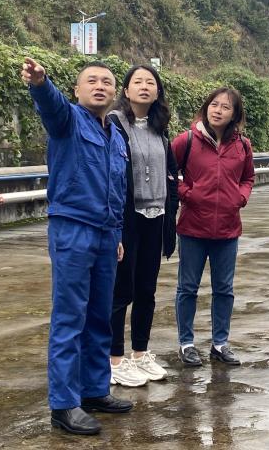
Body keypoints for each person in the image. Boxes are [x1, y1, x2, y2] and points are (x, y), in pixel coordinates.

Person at [21, 57, 131, 437]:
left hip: (104, 234)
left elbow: (117, 190)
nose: (99, 86)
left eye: (106, 82)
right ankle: (65, 405)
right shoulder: (66, 120)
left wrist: (117, 235)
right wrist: (40, 83)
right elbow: (49, 105)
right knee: (70, 317)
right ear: (77, 90)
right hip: (72, 229)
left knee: (101, 315)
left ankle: (95, 390)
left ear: (115, 93)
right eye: (91, 81)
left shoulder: (116, 136)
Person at [170, 87, 255, 368]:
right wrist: (187, 194)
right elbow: (169, 172)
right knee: (188, 288)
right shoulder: (188, 140)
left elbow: (248, 178)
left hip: (228, 230)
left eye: (226, 107)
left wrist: (240, 198)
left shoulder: (242, 145)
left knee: (224, 289)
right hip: (193, 228)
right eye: (214, 104)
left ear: (235, 115)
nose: (218, 110)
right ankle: (186, 343)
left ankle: (220, 344)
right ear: (206, 108)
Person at [106, 65, 179, 387]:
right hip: (128, 217)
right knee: (121, 291)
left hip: (156, 216)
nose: (145, 87)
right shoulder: (114, 124)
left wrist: (170, 225)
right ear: (126, 90)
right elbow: (112, 176)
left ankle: (140, 353)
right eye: (138, 82)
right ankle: (114, 359)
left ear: (158, 91)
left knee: (146, 291)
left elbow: (172, 178)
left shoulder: (160, 130)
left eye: (151, 82)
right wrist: (115, 226)